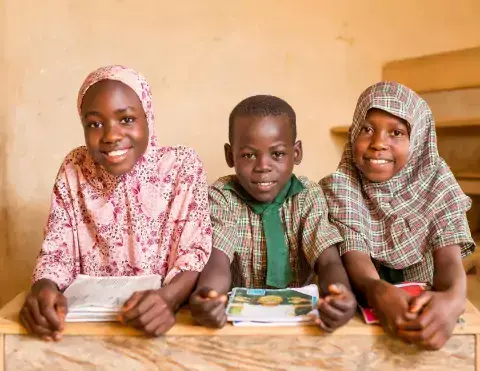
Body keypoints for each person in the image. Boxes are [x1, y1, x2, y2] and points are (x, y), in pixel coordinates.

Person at [19, 65, 212, 340]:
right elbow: (56, 252)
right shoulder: (76, 167)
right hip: (90, 331)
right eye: (95, 124)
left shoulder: (181, 166)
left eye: (126, 119)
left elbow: (193, 252)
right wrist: (44, 288)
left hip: (166, 322)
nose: (110, 135)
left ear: (148, 118)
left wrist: (168, 298)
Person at [320, 81, 475, 349]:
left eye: (397, 133)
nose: (378, 143)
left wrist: (453, 298)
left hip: (426, 307)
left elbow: (449, 260)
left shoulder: (437, 181)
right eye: (367, 129)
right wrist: (375, 289)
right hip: (361, 308)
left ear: (417, 141)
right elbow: (355, 255)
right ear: (354, 130)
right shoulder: (341, 184)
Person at [190, 95, 356, 331]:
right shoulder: (223, 196)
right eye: (248, 155)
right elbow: (218, 260)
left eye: (277, 154)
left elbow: (328, 260)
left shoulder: (307, 195)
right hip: (239, 327)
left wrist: (339, 295)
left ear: (296, 152)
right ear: (230, 155)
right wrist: (209, 295)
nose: (263, 166)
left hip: (300, 325)